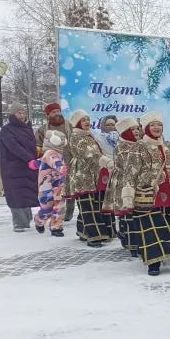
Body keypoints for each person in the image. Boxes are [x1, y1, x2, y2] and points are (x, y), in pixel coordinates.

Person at [122, 113, 170, 276]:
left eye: (159, 124)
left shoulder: (167, 144)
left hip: (169, 190)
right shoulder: (139, 146)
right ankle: (154, 262)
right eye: (153, 125)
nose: (157, 128)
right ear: (145, 128)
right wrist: (128, 192)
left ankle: (169, 253)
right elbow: (130, 171)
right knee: (151, 227)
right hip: (148, 191)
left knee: (169, 223)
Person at [65, 110, 114, 248]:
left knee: (92, 204)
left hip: (93, 175)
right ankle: (94, 236)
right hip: (83, 176)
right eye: (83, 120)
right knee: (88, 205)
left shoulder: (89, 135)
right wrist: (106, 161)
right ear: (77, 123)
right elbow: (89, 154)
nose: (87, 122)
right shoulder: (75, 136)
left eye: (88, 119)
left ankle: (83, 232)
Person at [102, 119, 142, 255]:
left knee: (135, 213)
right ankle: (131, 243)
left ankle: (129, 237)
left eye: (137, 128)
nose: (136, 131)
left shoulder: (140, 144)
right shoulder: (122, 147)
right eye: (132, 129)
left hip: (137, 182)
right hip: (124, 183)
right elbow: (128, 167)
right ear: (125, 132)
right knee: (127, 212)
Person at [0, 104, 38, 231]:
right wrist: (29, 159)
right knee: (16, 194)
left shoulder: (27, 128)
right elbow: (14, 147)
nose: (22, 115)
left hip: (27, 167)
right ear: (12, 114)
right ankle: (19, 223)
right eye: (18, 113)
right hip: (13, 168)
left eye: (23, 112)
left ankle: (25, 221)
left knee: (26, 193)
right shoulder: (7, 130)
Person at [37, 102, 75, 224]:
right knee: (53, 191)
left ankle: (67, 213)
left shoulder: (69, 126)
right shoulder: (43, 130)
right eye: (54, 112)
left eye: (58, 111)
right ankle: (50, 215)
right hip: (50, 166)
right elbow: (38, 147)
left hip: (69, 161)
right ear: (48, 115)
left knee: (69, 189)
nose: (57, 114)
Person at [34, 129, 69, 237]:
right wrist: (63, 168)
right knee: (47, 209)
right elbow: (55, 163)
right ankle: (39, 220)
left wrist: (36, 163)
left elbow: (42, 161)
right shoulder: (51, 154)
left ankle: (56, 228)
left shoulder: (56, 153)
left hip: (58, 186)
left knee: (60, 206)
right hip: (46, 188)